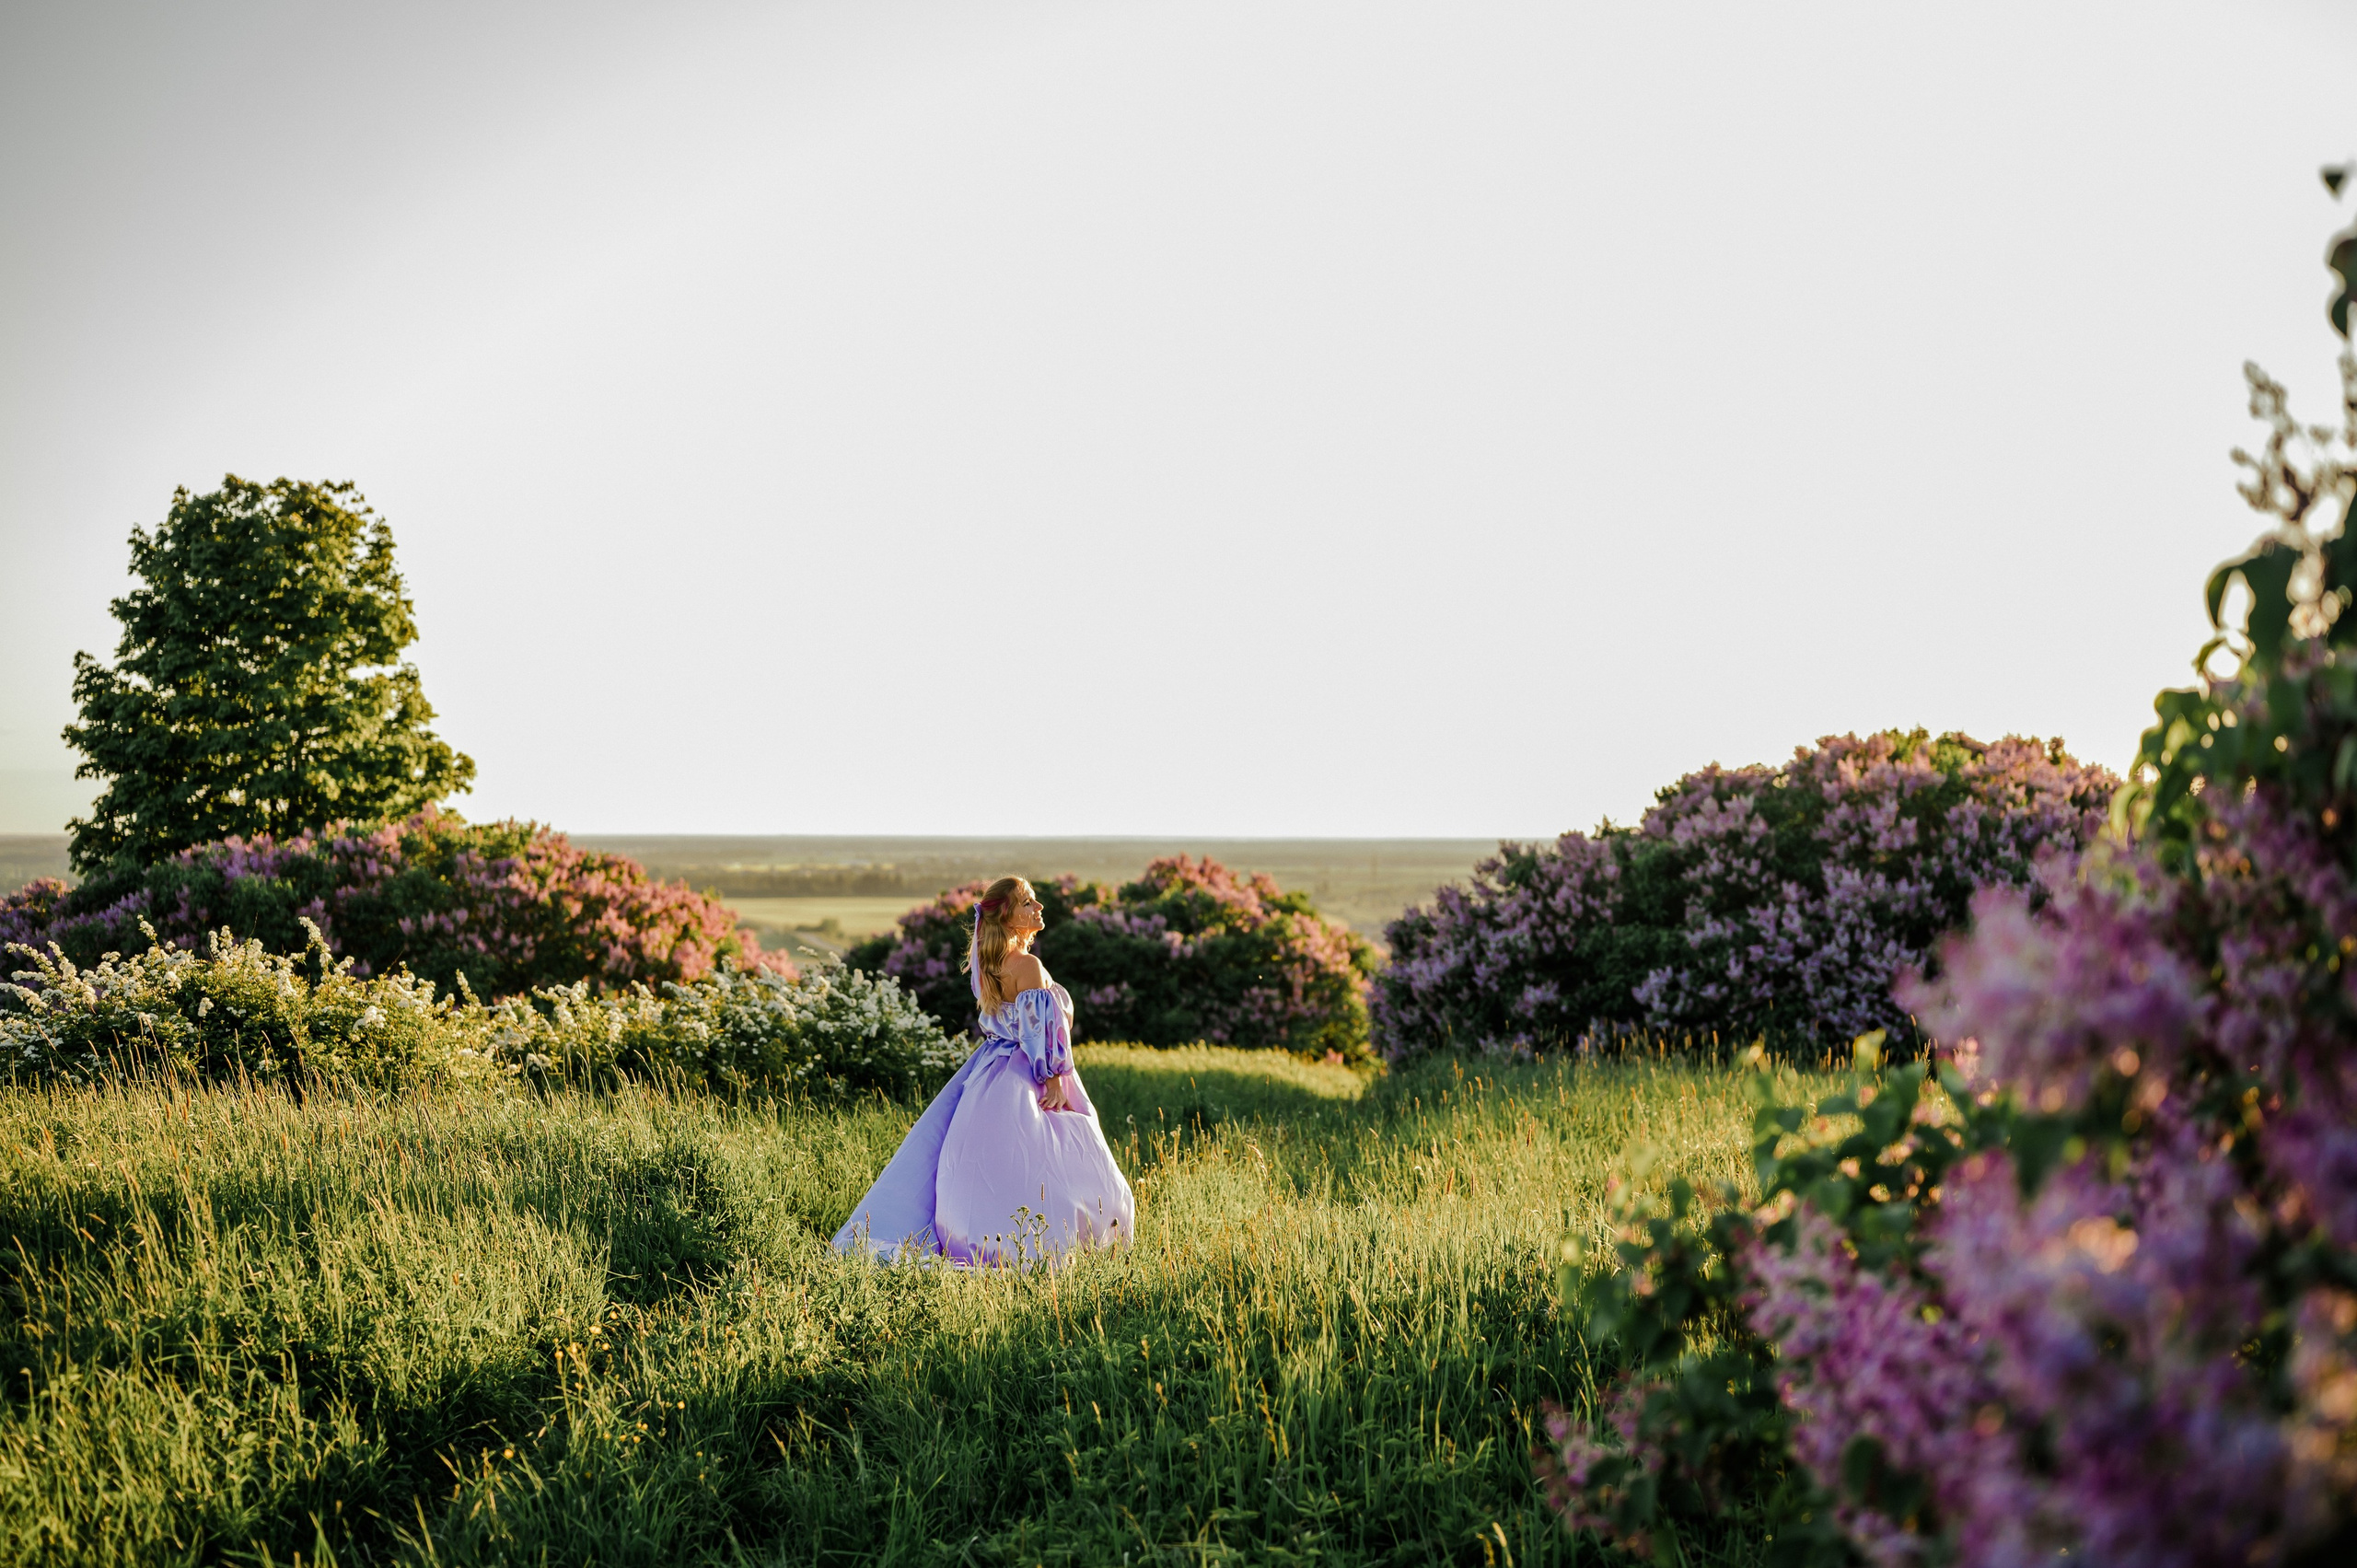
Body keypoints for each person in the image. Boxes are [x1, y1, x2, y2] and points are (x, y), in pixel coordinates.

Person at [831, 876, 1135, 1265]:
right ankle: (1055, 1242)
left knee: (988, 1162)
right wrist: (1054, 1078)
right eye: (1028, 903)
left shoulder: (986, 965)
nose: (1039, 907)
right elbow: (1038, 1031)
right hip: (1031, 1071)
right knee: (1051, 1160)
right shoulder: (1027, 965)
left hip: (988, 1074)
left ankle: (981, 1237)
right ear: (1007, 915)